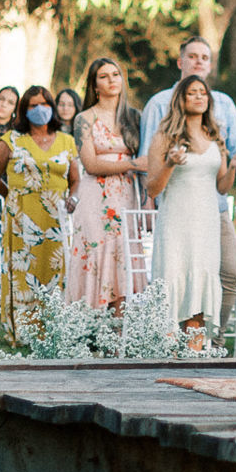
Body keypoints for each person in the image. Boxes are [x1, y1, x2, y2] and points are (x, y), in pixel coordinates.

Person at [139, 37, 236, 334]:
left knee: (223, 274)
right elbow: (150, 178)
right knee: (175, 275)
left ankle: (210, 341)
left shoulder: (218, 125)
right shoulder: (160, 113)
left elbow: (223, 184)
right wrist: (169, 165)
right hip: (176, 214)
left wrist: (235, 166)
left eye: (204, 57)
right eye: (193, 56)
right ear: (180, 61)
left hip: (212, 213)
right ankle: (169, 343)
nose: (199, 62)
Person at [0, 86, 79, 342]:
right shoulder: (12, 139)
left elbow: (75, 179)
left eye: (45, 104)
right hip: (21, 216)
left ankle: (52, 330)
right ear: (24, 111)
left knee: (53, 269)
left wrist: (73, 198)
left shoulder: (66, 141)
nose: (40, 110)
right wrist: (13, 197)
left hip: (55, 217)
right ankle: (23, 331)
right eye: (33, 105)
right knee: (23, 272)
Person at [67, 57, 146, 308]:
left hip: (126, 197)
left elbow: (149, 160)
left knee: (123, 255)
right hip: (95, 199)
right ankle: (91, 328)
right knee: (97, 253)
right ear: (94, 85)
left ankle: (120, 333)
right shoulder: (84, 119)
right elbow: (90, 164)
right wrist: (132, 164)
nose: (111, 80)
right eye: (104, 76)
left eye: (115, 74)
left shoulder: (135, 117)